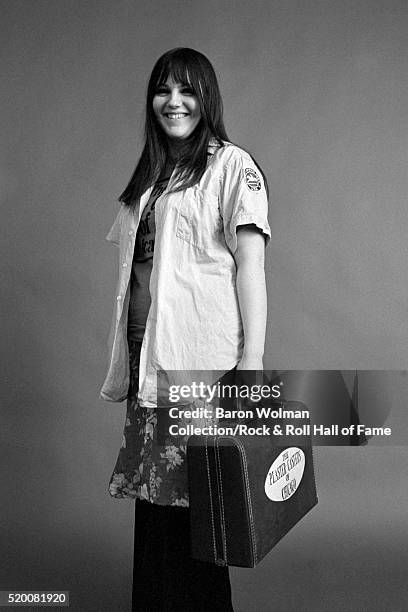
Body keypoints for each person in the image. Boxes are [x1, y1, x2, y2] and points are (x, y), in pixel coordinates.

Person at [100, 47, 271, 611]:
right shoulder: (151, 174)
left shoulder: (231, 165)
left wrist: (251, 368)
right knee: (155, 510)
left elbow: (251, 270)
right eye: (163, 90)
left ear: (207, 98)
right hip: (150, 360)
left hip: (202, 362)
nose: (174, 102)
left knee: (203, 515)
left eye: (187, 90)